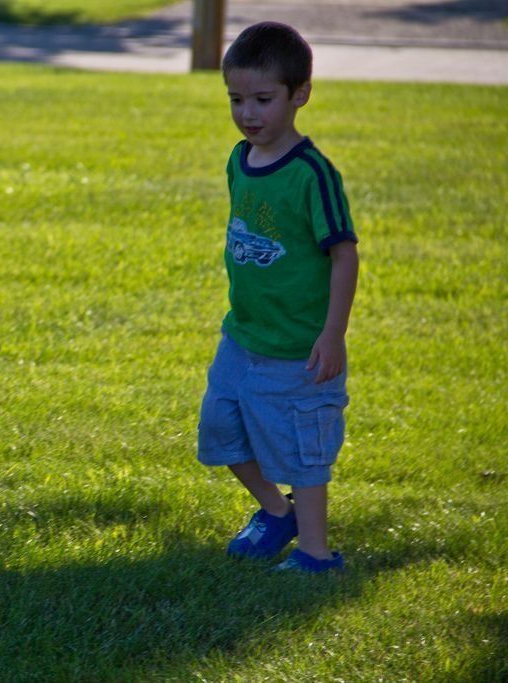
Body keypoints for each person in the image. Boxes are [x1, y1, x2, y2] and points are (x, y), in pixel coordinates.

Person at [197, 22, 358, 573]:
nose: (248, 113)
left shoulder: (313, 174)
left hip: (299, 349)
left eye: (263, 100)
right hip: (243, 337)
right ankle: (274, 510)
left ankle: (316, 554)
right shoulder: (238, 160)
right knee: (219, 431)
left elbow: (344, 255)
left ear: (299, 95)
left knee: (303, 455)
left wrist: (331, 333)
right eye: (237, 99)